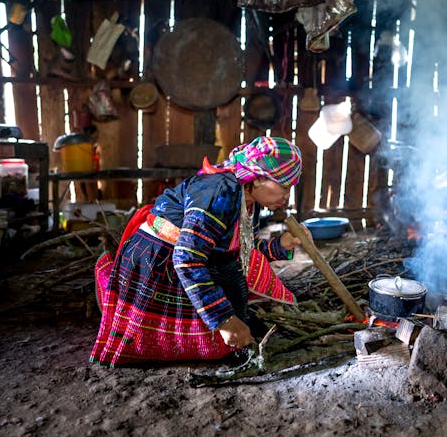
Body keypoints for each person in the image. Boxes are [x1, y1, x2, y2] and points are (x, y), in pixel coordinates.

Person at [90, 136, 310, 366]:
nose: (286, 196)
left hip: (198, 256)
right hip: (160, 261)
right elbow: (187, 258)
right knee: (221, 338)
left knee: (233, 277)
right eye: (284, 186)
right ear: (257, 179)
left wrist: (280, 245)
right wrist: (224, 320)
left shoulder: (247, 198)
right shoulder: (219, 193)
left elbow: (239, 249)